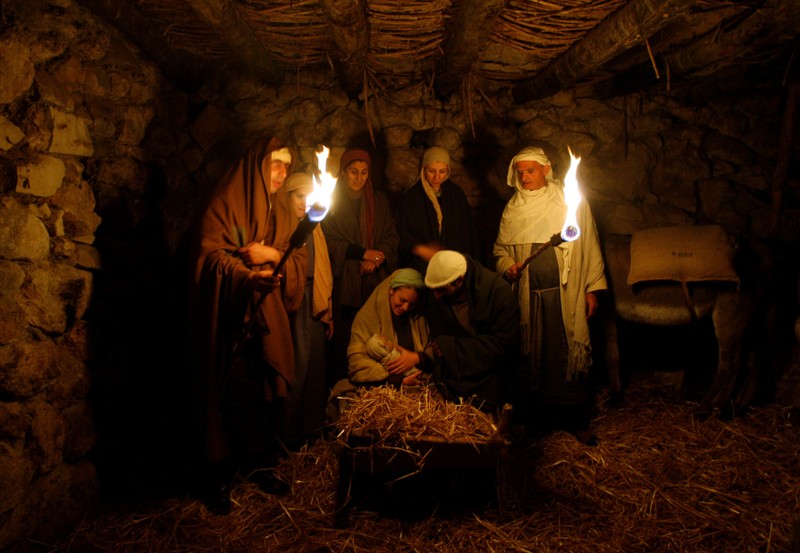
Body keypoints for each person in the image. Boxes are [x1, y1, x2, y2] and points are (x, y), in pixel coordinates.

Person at [188, 137, 300, 514]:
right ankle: (216, 475)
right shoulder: (226, 202)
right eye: (275, 165)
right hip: (229, 316)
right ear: (256, 166)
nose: (282, 174)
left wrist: (274, 261)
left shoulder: (282, 208)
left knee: (260, 391)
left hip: (266, 316)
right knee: (226, 391)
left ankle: (258, 464)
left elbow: (295, 257)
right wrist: (244, 276)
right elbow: (210, 256)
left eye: (287, 166)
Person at [493, 146, 607, 442]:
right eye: (520, 172)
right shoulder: (514, 208)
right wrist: (508, 267)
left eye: (530, 171)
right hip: (530, 297)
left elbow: (590, 243)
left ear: (545, 170)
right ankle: (534, 421)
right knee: (532, 357)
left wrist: (591, 288)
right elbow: (500, 250)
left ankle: (574, 418)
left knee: (566, 353)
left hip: (564, 294)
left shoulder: (568, 202)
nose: (525, 177)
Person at [322, 148, 399, 386]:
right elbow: (327, 239)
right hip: (345, 284)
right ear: (343, 173)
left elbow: (390, 237)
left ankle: (372, 384)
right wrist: (361, 253)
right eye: (353, 172)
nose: (359, 178)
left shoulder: (379, 201)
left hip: (374, 283)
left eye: (364, 173)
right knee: (345, 340)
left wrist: (375, 258)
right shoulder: (331, 202)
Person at [326, 268, 430, 421]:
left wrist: (416, 360)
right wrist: (396, 380)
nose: (406, 308)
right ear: (391, 291)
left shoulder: (418, 319)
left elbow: (429, 353)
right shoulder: (367, 317)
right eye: (402, 300)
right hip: (380, 388)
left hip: (415, 388)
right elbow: (357, 363)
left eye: (412, 304)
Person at [422, 250, 520, 413]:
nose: (436, 296)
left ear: (459, 280)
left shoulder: (497, 292)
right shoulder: (438, 297)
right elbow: (439, 340)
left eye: (441, 289)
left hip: (492, 377)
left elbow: (506, 344)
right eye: (433, 290)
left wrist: (450, 347)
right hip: (454, 380)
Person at [277, 172, 334, 450]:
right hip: (294, 301)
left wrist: (328, 310)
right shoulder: (283, 226)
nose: (304, 203)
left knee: (315, 369)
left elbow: (323, 268)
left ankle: (310, 431)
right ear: (288, 197)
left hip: (315, 301)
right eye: (299, 196)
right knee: (296, 369)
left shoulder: (315, 227)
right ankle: (285, 435)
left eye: (308, 198)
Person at [395, 146, 481, 273]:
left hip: (454, 265)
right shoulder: (411, 199)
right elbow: (403, 236)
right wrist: (422, 249)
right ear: (423, 169)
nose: (437, 177)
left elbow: (467, 234)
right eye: (431, 171)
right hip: (423, 267)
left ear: (448, 171)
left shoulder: (456, 195)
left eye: (442, 171)